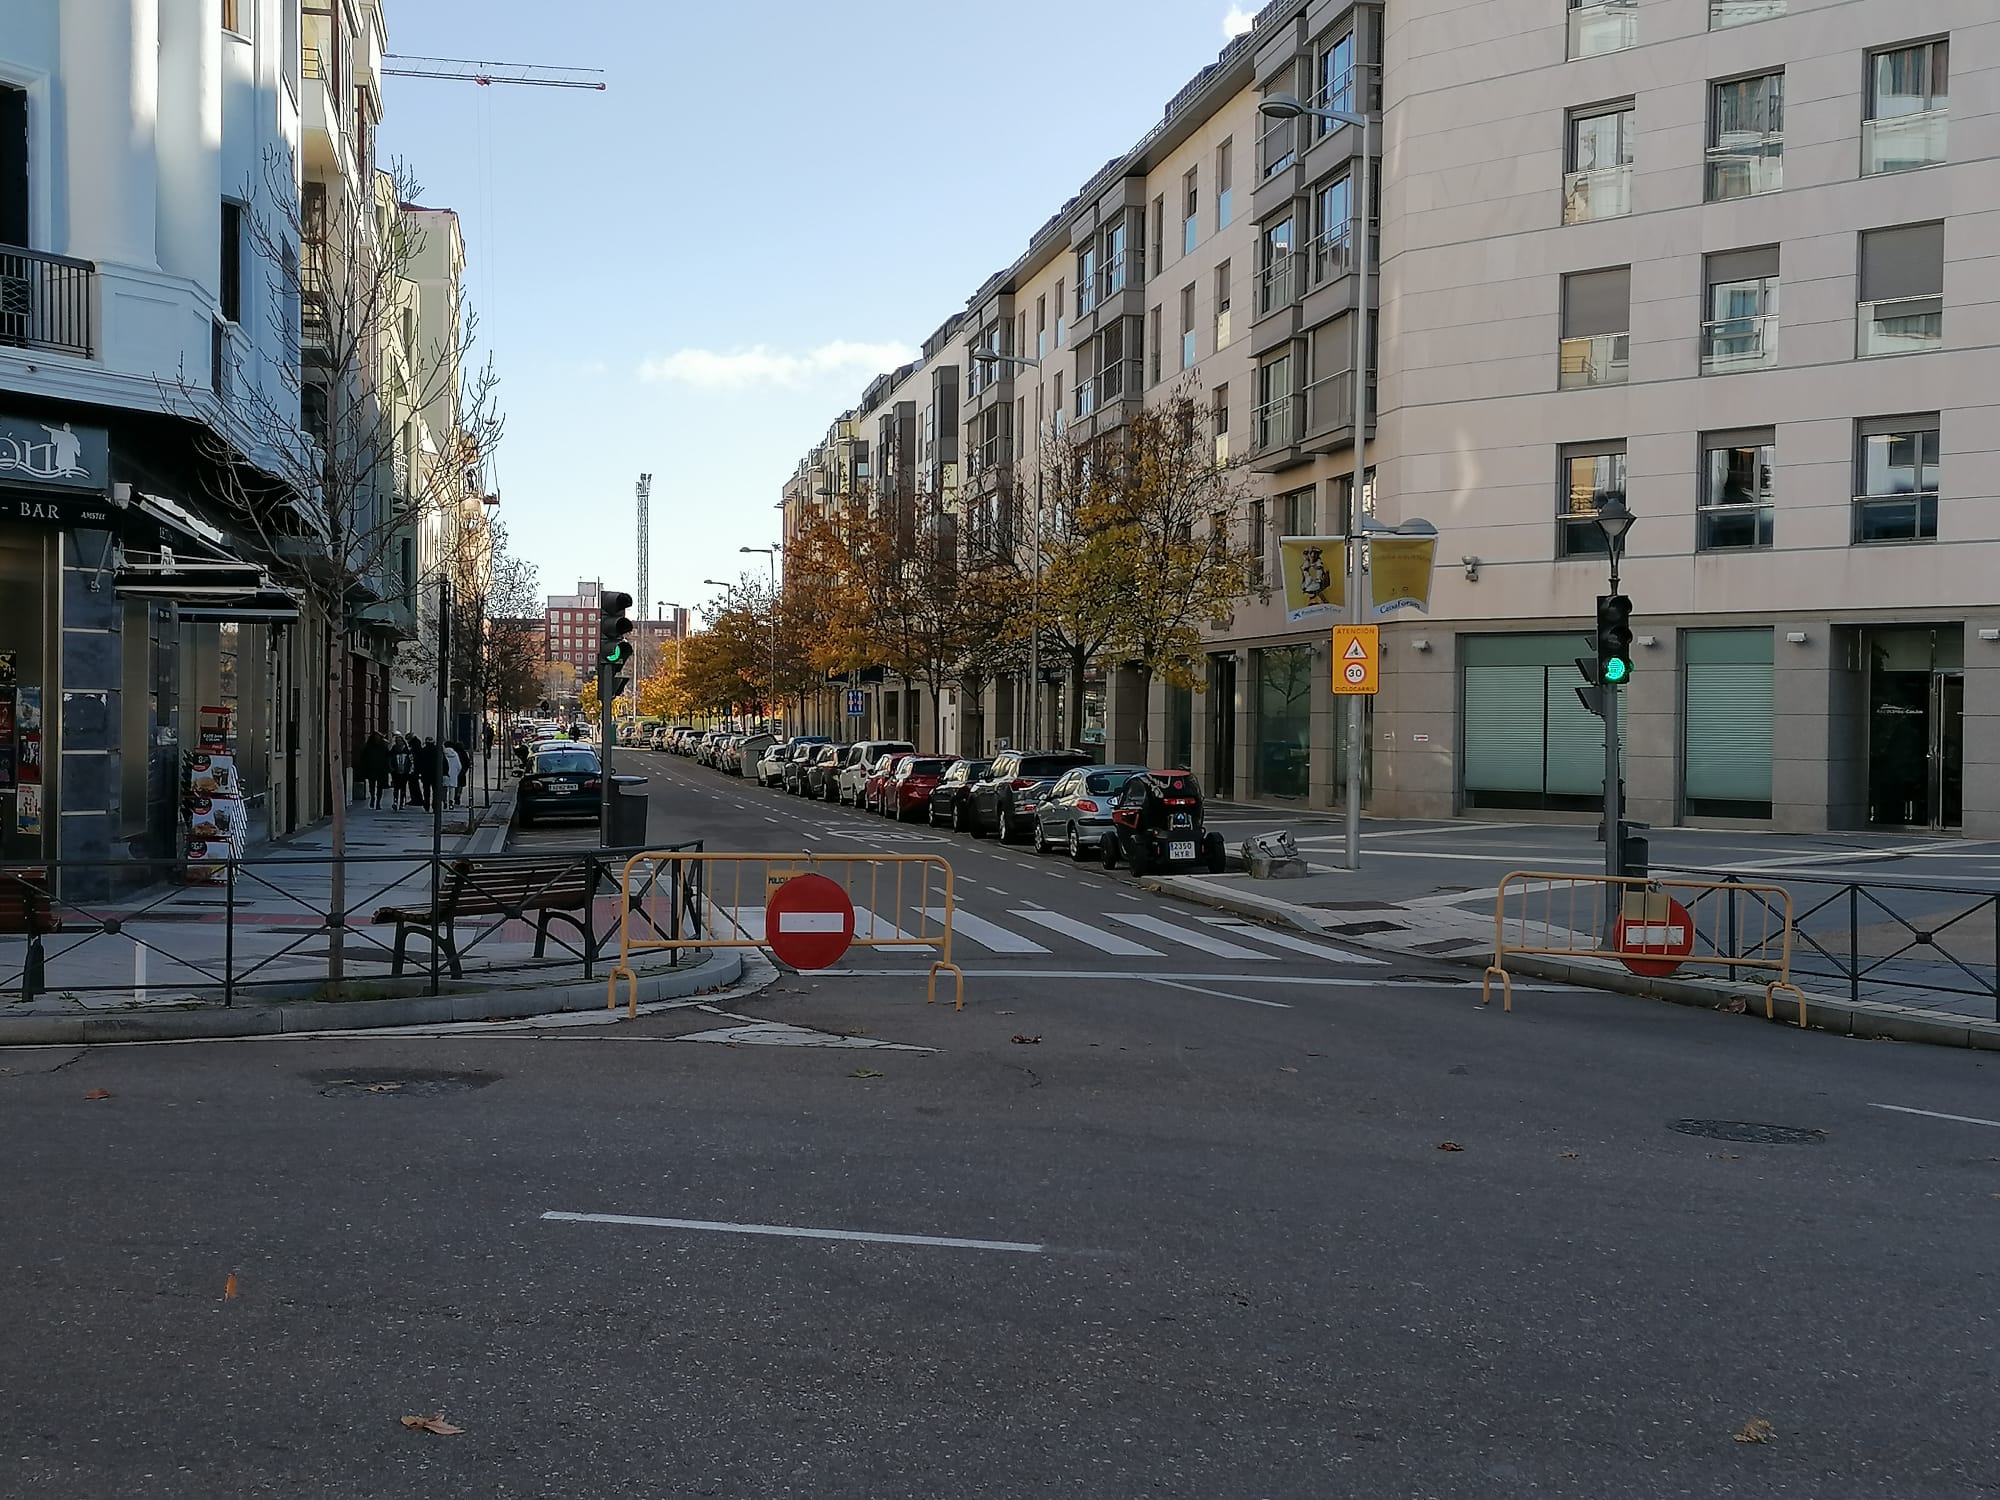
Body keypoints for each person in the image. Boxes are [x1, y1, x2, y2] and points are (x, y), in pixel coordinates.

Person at [359, 731, 391, 809]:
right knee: (372, 786)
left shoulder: (383, 747)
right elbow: (364, 758)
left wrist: (387, 768)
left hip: (381, 770)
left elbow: (388, 758)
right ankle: (373, 797)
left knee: (380, 787)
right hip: (371, 769)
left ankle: (378, 802)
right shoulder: (369, 747)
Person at [390, 734, 414, 810]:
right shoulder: (394, 749)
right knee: (396, 788)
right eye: (397, 741)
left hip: (405, 772)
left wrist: (410, 770)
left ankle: (401, 803)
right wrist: (391, 769)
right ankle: (395, 801)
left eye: (400, 741)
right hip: (396, 772)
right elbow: (390, 760)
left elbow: (411, 761)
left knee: (403, 788)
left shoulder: (407, 750)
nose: (398, 742)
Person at [442, 739, 465, 808]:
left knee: (444, 788)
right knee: (452, 788)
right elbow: (459, 766)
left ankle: (444, 802)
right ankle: (451, 802)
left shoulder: (442, 754)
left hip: (444, 774)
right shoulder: (455, 754)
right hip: (453, 774)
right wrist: (456, 773)